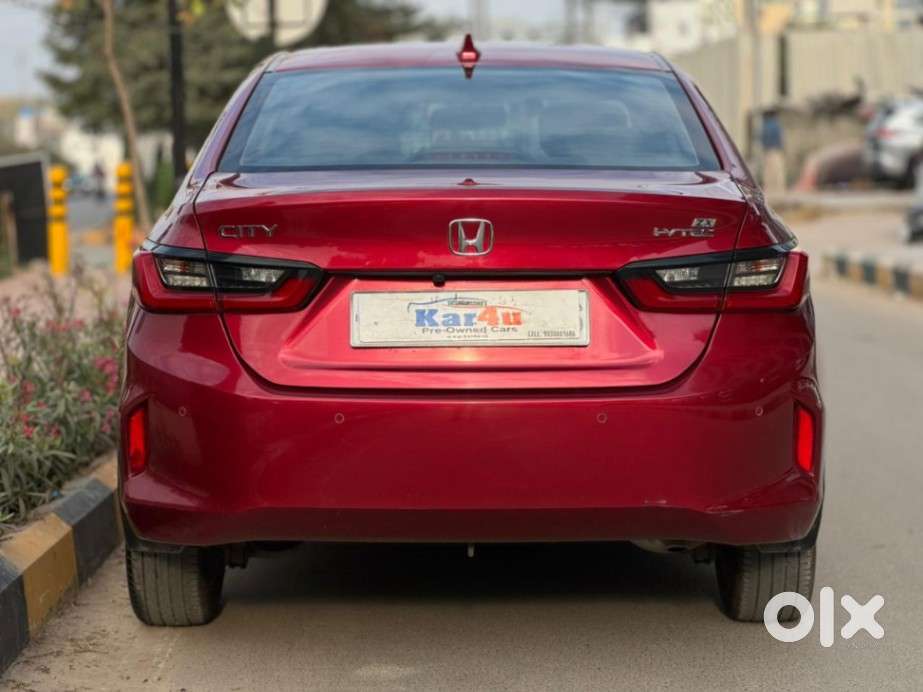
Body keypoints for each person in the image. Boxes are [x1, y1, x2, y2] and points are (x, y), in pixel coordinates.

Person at [761, 108, 786, 198]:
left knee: (767, 173)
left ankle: (768, 191)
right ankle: (779, 192)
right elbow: (780, 139)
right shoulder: (776, 125)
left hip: (767, 151)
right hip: (775, 151)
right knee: (777, 172)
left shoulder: (764, 125)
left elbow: (762, 139)